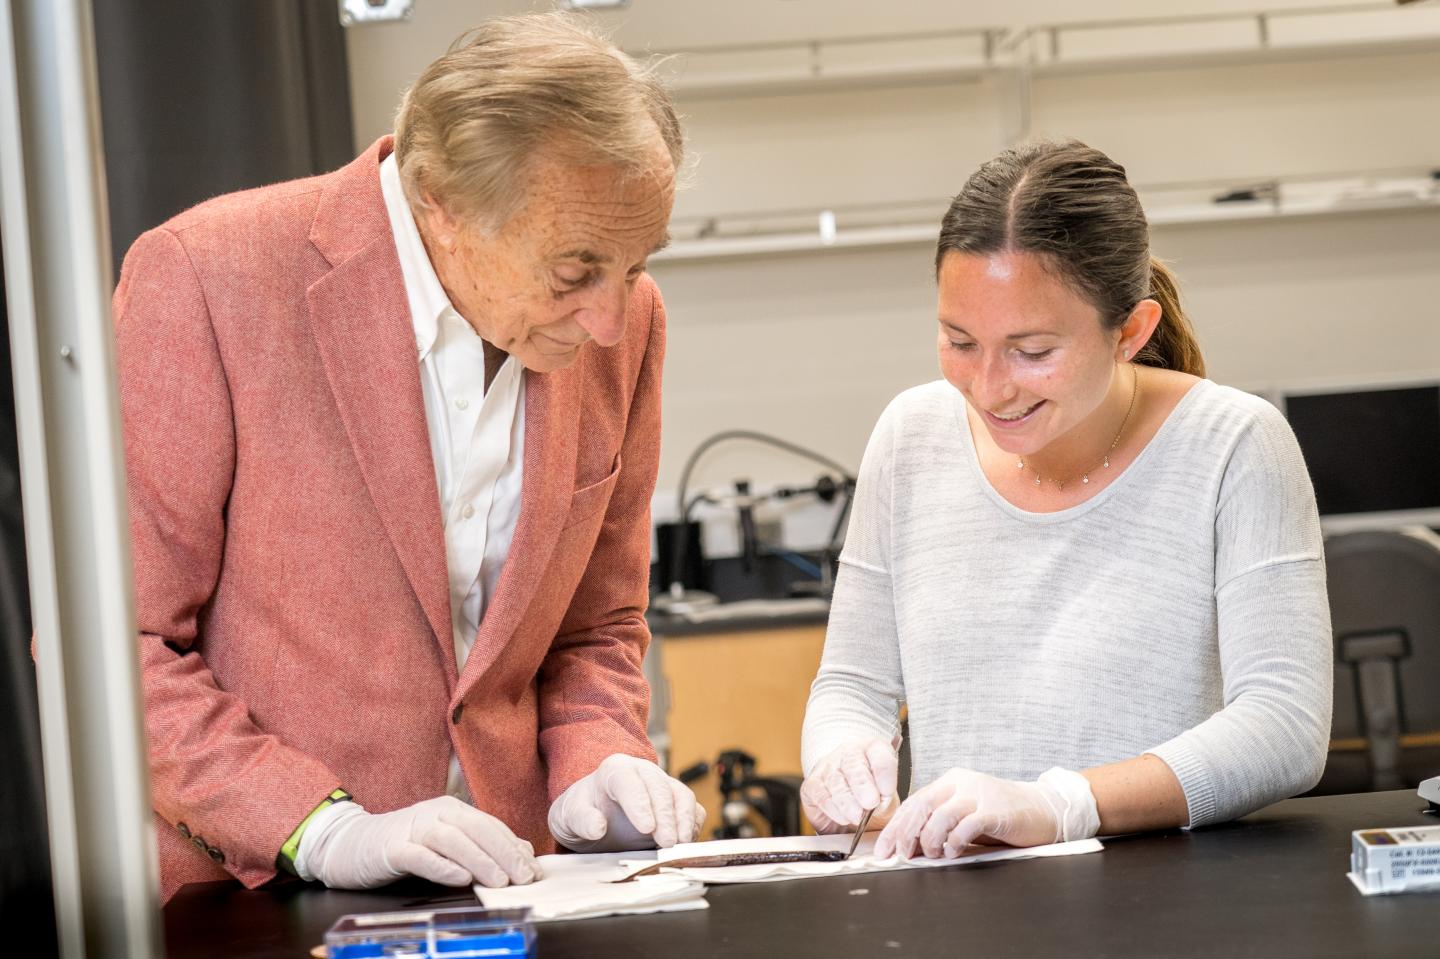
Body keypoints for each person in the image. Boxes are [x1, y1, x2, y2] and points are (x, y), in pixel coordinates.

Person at [115, 14, 702, 901]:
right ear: (442, 205)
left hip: (517, 890)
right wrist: (321, 827)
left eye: (635, 265)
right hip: (253, 901)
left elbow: (596, 625)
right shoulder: (207, 276)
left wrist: (598, 756)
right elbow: (115, 646)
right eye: (574, 272)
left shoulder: (630, 322)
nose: (611, 320)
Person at [799, 139, 1332, 860]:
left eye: (1033, 351)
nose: (990, 387)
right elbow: (852, 684)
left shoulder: (1234, 443)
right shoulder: (910, 436)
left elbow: (1285, 725)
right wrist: (843, 756)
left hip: (1163, 897)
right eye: (960, 340)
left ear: (1131, 331)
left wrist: (1062, 805)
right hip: (957, 900)